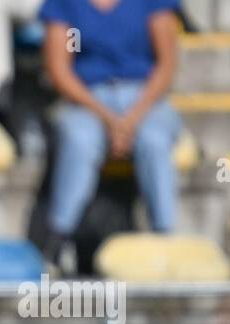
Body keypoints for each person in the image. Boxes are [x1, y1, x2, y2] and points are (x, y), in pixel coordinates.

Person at [39, 0, 182, 271]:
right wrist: (107, 117)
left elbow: (166, 65)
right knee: (79, 140)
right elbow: (59, 70)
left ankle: (165, 237)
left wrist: (130, 119)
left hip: (145, 97)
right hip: (86, 97)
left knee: (154, 141)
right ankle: (58, 240)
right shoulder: (64, 4)